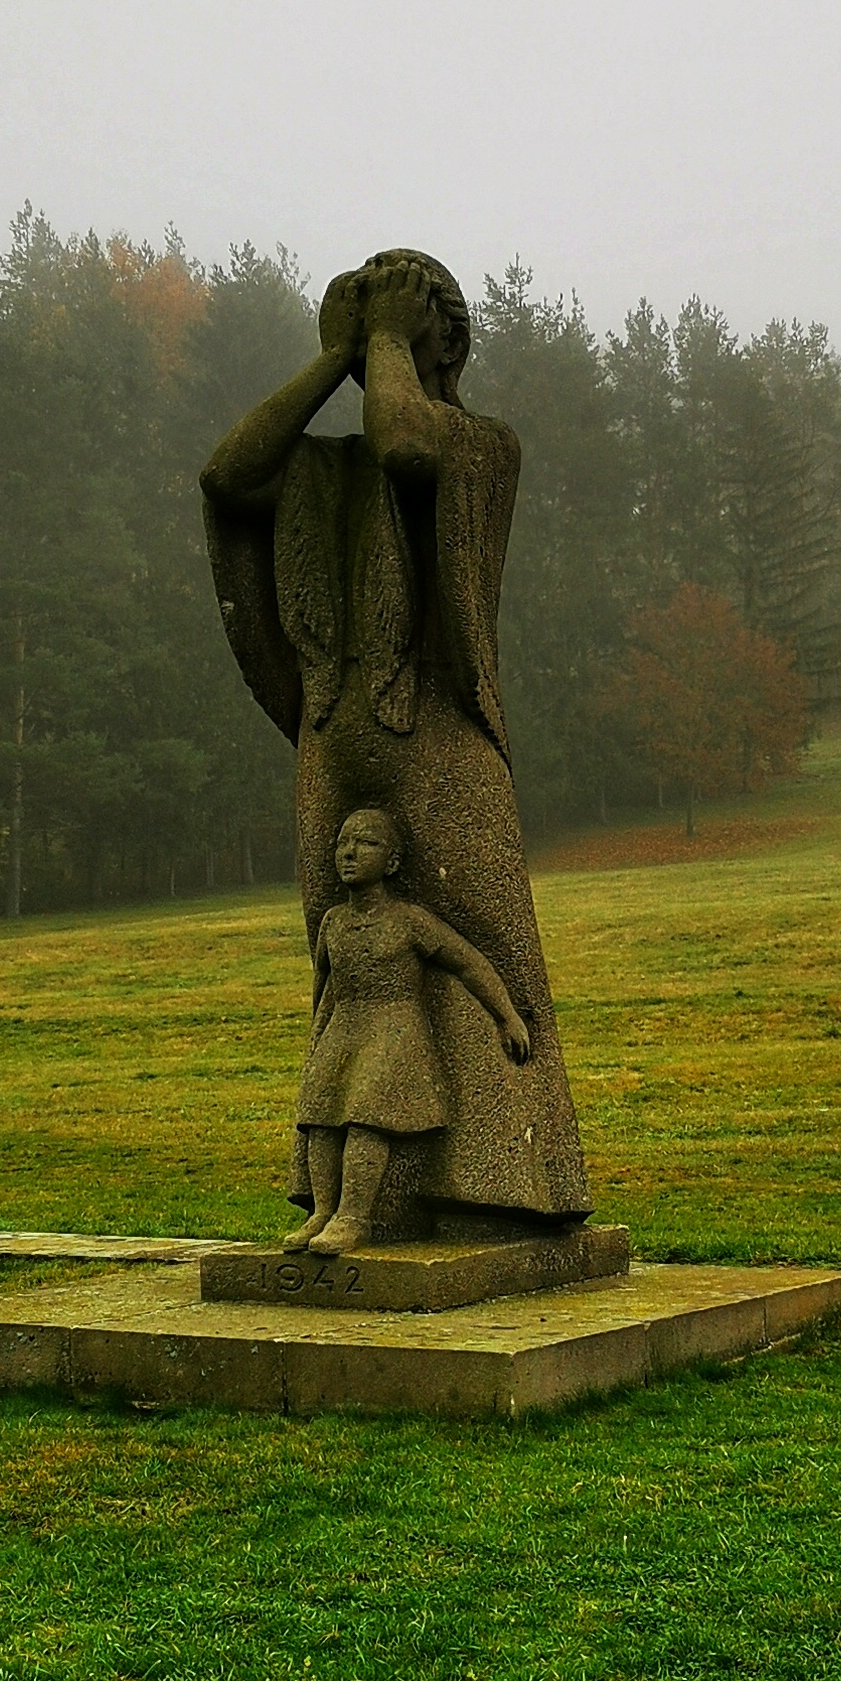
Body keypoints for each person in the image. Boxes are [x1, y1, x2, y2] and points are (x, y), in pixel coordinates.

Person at [200, 248, 591, 1241]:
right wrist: (334, 358)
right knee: (351, 983)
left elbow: (408, 446)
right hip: (334, 736)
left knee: (482, 949)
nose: (379, 309)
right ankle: (355, 1203)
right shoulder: (320, 468)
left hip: (441, 738)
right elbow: (226, 473)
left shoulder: (485, 443)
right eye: (367, 297)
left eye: (401, 297)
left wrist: (381, 346)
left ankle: (507, 1192)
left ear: (444, 336)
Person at [291, 808, 531, 1256]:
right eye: (344, 843)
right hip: (344, 1026)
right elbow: (322, 989)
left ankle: (353, 1217)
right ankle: (322, 1212)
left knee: (367, 1115)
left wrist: (506, 1015)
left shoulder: (409, 920)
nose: (350, 853)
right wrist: (317, 1039)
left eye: (366, 844)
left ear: (393, 861)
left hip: (394, 1027)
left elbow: (468, 962)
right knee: (320, 1118)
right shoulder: (333, 923)